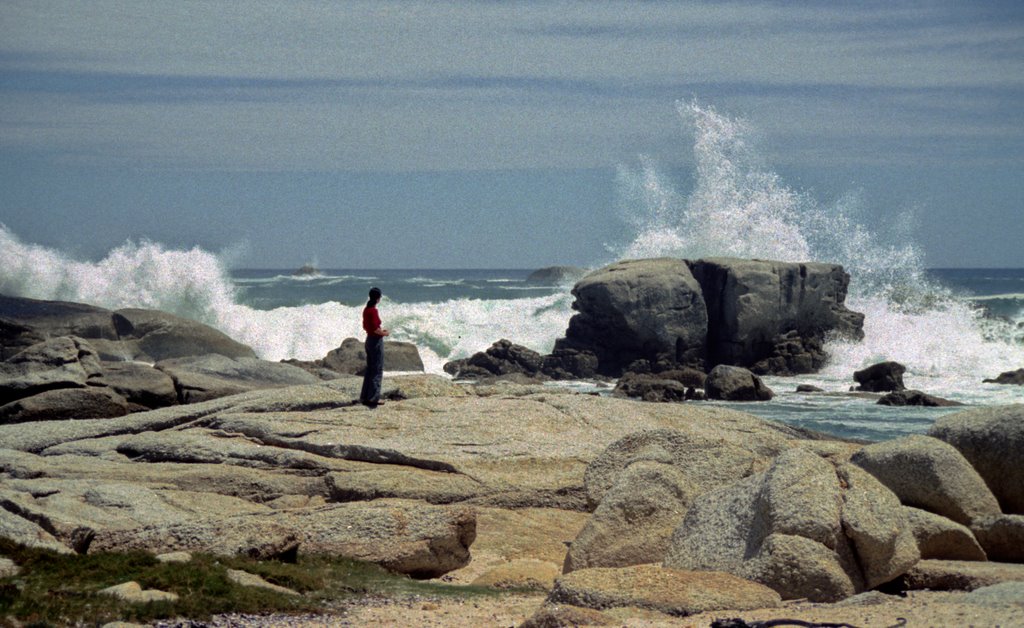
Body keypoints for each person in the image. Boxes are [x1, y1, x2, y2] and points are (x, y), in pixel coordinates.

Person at [359, 287, 389, 407]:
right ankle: (373, 398)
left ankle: (365, 396)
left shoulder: (366, 310)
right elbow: (375, 329)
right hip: (375, 341)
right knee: (377, 369)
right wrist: (384, 333)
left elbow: (367, 326)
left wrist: (380, 331)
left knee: (370, 369)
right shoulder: (373, 311)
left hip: (369, 340)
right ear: (378, 298)